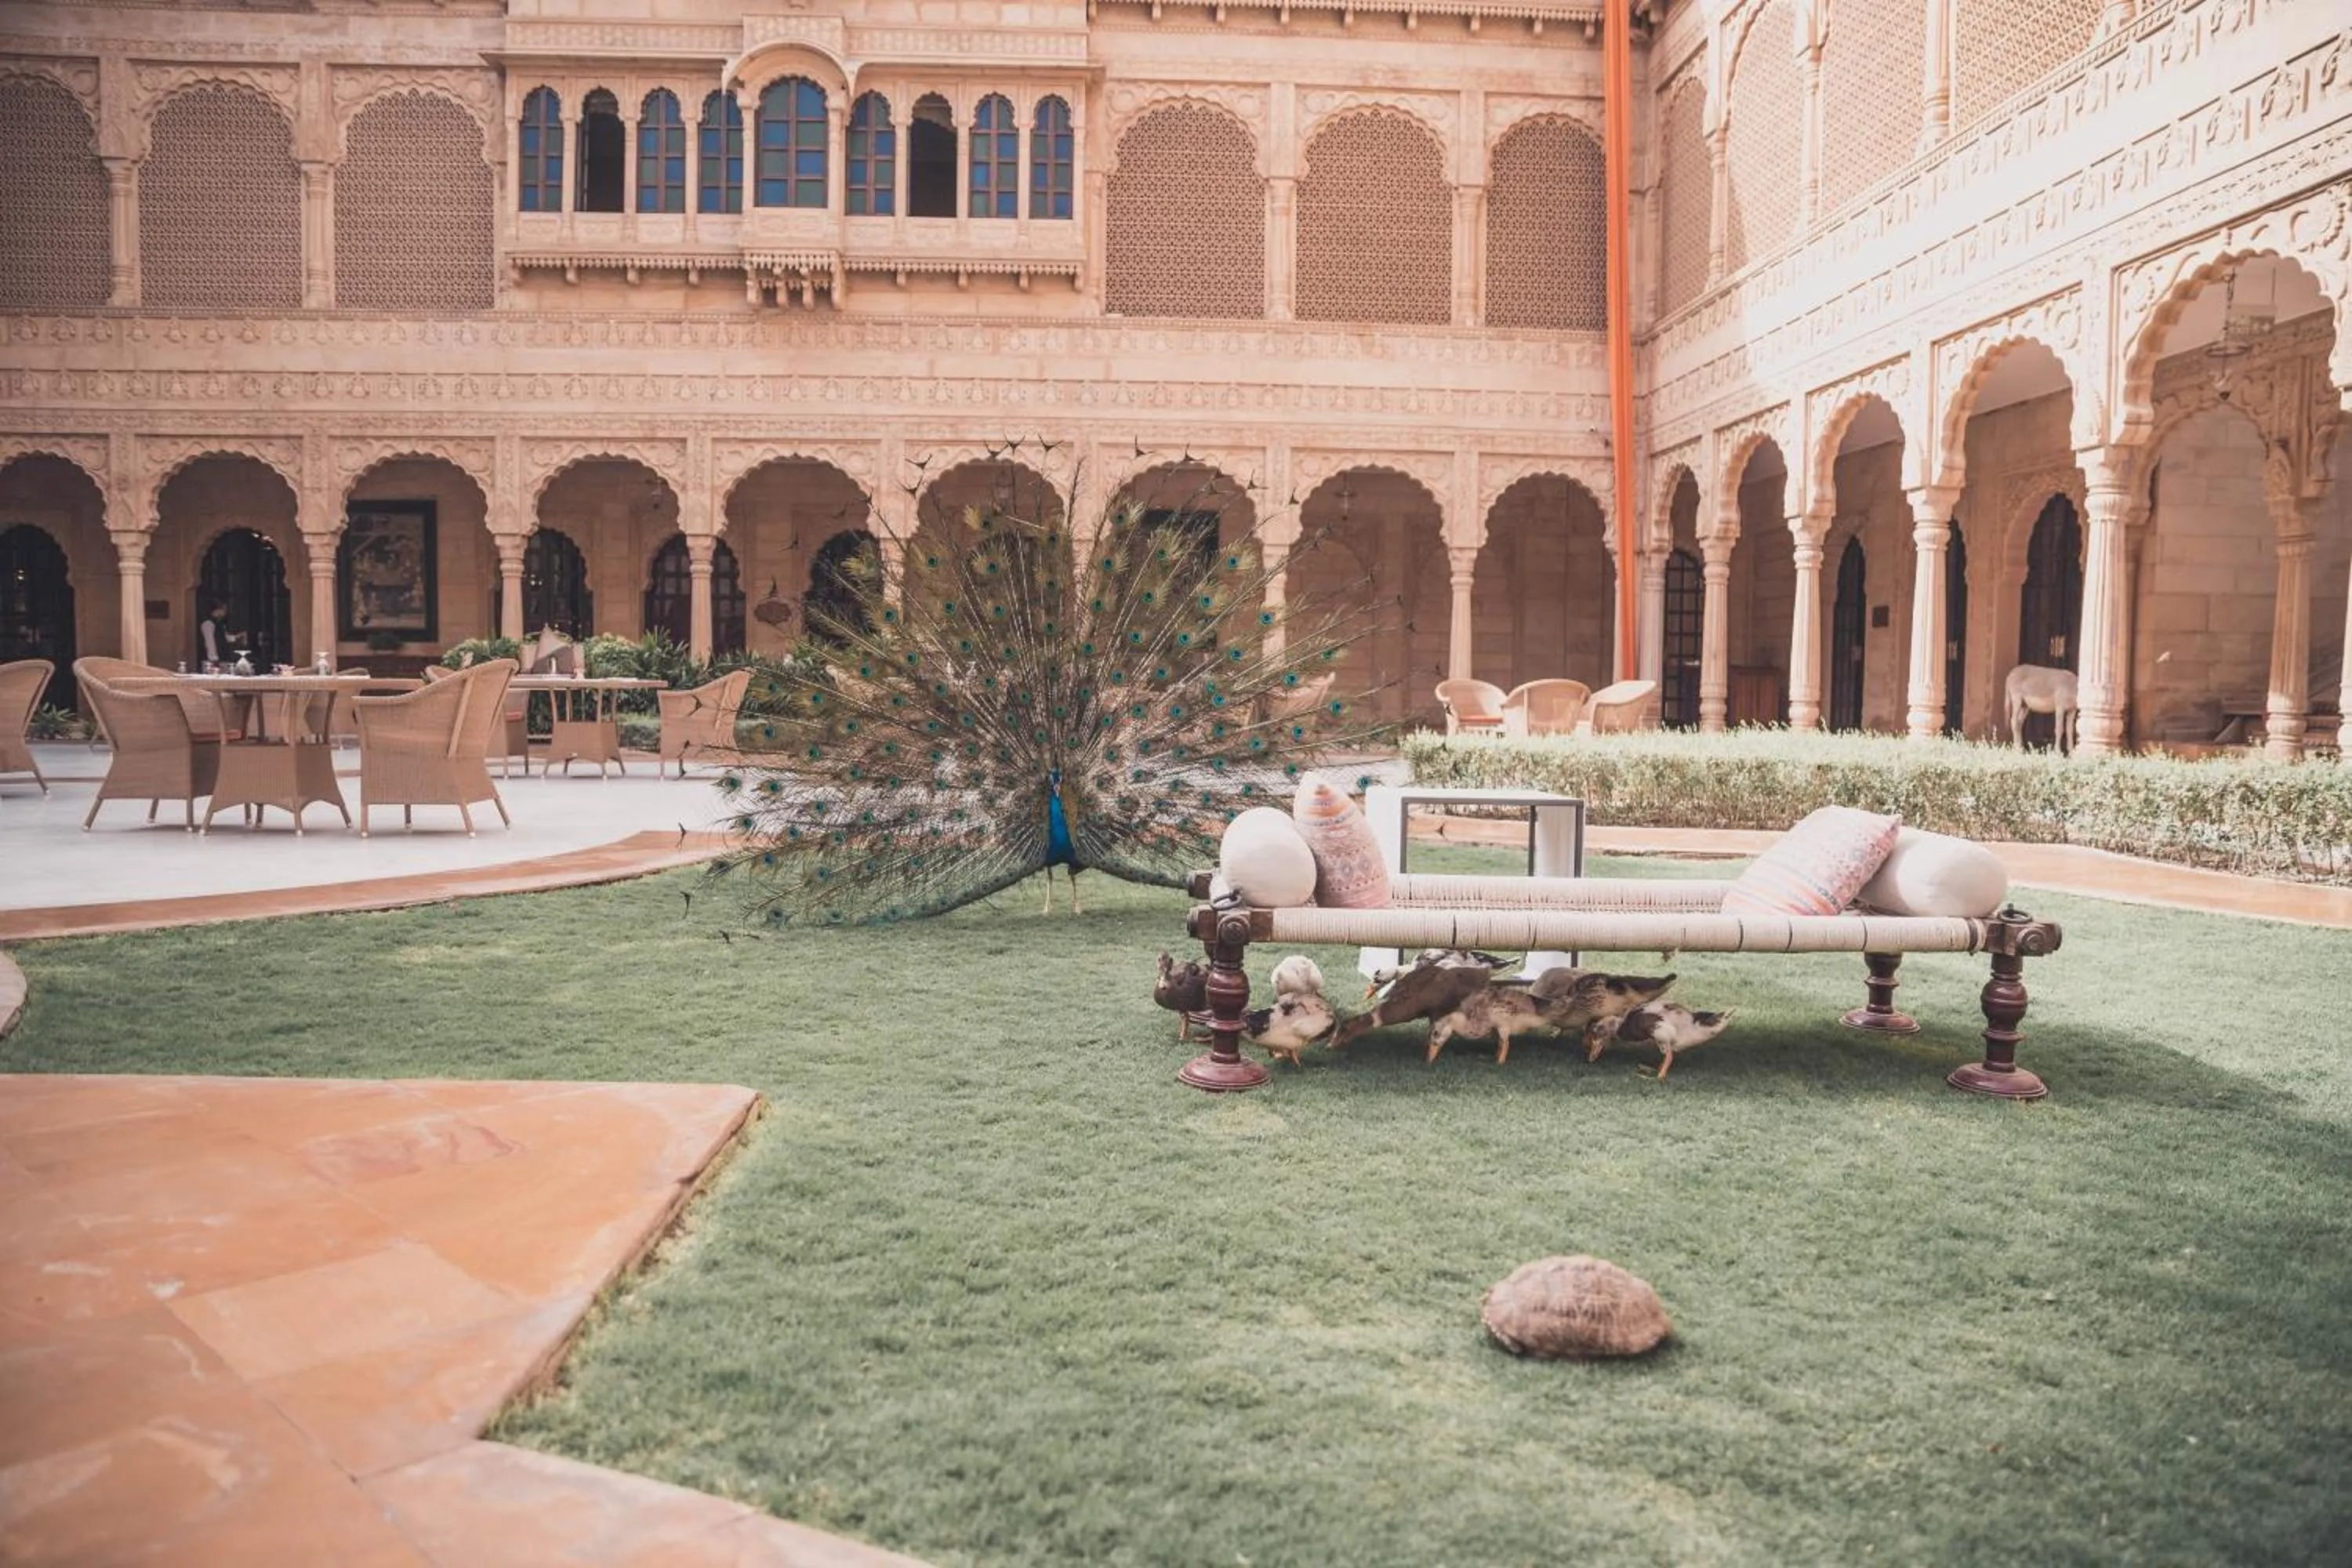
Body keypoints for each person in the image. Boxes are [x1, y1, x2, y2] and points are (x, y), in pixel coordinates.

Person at [198, 597, 230, 667]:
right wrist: (214, 660)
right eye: (224, 609)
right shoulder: (208, 623)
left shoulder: (219, 624)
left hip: (222, 659)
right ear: (218, 610)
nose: (226, 612)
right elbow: (210, 642)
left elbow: (223, 637)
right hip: (213, 662)